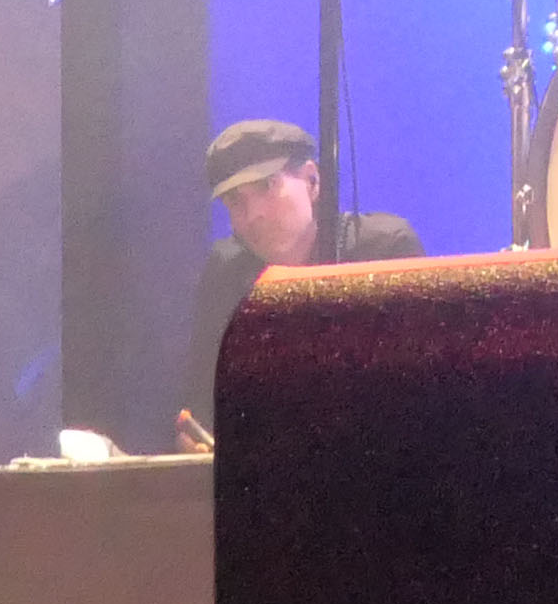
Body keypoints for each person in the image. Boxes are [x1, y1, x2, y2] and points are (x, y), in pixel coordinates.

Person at [178, 120, 417, 441]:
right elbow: (203, 403)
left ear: (312, 180)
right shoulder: (227, 272)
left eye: (267, 186)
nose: (254, 214)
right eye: (235, 200)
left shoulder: (384, 250)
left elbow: (417, 391)